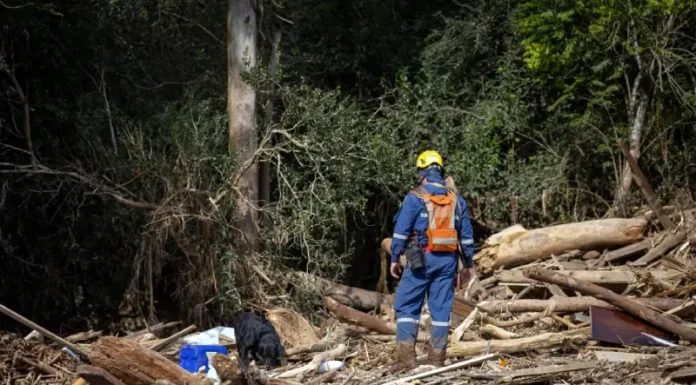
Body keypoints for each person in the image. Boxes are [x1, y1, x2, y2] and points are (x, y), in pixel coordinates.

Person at [389, 150, 475, 372]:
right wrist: (468, 265)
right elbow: (466, 237)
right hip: (448, 261)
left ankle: (407, 359)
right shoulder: (457, 200)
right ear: (440, 172)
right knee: (441, 309)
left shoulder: (415, 197)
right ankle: (437, 360)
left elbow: (400, 232)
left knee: (407, 306)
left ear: (422, 172)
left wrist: (395, 258)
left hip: (421, 259)